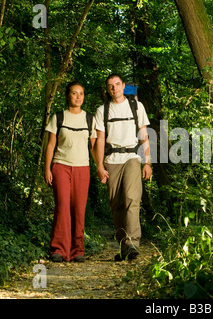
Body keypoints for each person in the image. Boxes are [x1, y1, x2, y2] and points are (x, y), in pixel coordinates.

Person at [94, 74, 152, 261]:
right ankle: (123, 247)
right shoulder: (102, 111)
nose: (114, 88)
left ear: (123, 86)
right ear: (107, 89)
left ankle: (132, 243)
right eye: (110, 86)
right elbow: (100, 139)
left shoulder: (136, 106)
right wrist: (99, 164)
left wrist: (148, 162)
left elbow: (144, 135)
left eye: (117, 84)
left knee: (132, 198)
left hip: (132, 158)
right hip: (111, 160)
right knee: (116, 204)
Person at [44, 81, 97, 262]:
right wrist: (47, 169)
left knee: (79, 209)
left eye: (81, 93)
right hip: (61, 166)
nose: (78, 97)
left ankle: (77, 250)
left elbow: (94, 148)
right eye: (74, 93)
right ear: (68, 95)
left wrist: (101, 168)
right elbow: (50, 146)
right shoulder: (59, 117)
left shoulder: (90, 119)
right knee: (62, 207)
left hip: (83, 168)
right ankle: (59, 249)